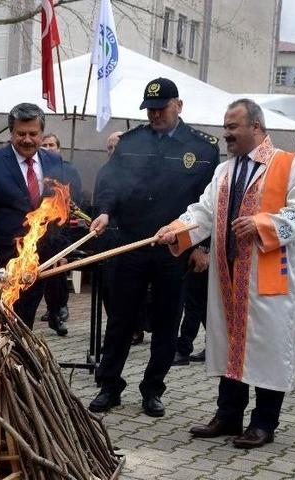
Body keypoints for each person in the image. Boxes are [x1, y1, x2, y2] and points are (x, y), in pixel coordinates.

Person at [159, 98, 295, 448]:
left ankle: (264, 423)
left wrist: (263, 224)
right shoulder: (224, 171)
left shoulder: (290, 165)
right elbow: (203, 212)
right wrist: (176, 229)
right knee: (231, 344)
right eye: (225, 127)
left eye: (232, 127)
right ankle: (228, 415)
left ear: (256, 127)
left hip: (268, 277)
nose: (226, 134)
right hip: (228, 276)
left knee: (267, 348)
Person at [88, 78, 218, 417]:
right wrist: (104, 211)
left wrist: (202, 247)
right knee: (121, 319)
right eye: (150, 110)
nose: (155, 115)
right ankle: (109, 385)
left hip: (175, 250)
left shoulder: (203, 149)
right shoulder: (130, 143)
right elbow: (110, 184)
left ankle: (153, 389)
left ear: (179, 105)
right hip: (131, 242)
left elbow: (209, 203)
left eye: (161, 108)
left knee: (167, 322)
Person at [0, 102, 72, 328]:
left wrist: (61, 249)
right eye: (21, 134)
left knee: (24, 325)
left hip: (37, 262)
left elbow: (61, 207)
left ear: (42, 133)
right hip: (0, 260)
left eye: (33, 134)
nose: (27, 140)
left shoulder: (54, 161)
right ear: (11, 133)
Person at [38, 132, 82, 336]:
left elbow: (74, 201)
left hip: (58, 229)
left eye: (51, 145)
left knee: (55, 275)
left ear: (58, 148)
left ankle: (56, 313)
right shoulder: (36, 167)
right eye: (44, 145)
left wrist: (65, 244)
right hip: (34, 229)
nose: (48, 148)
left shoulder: (68, 170)